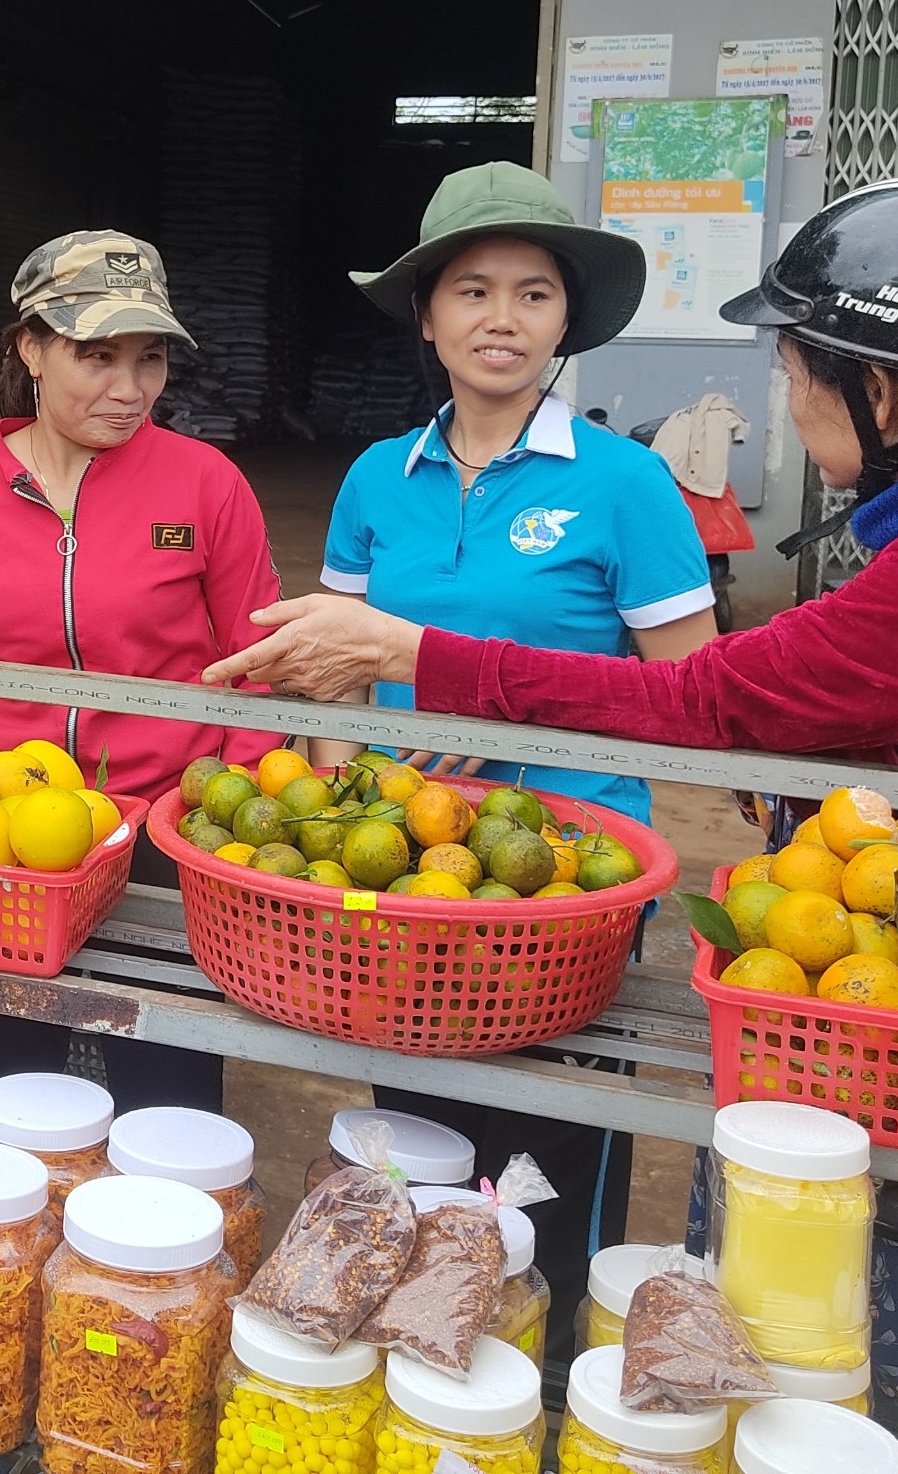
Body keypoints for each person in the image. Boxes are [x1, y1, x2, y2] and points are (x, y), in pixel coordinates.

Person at [209, 175, 898, 1423]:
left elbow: (710, 697)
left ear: (884, 393)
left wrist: (418, 653)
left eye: (795, 374)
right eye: (468, 288)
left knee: (847, 1375)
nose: (784, 402)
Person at [313, 160, 719, 1381]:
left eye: (533, 293)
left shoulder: (625, 481)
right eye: (473, 289)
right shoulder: (376, 476)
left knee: (548, 1156)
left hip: (570, 885)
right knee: (418, 1141)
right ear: (427, 317)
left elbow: (693, 699)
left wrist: (518, 724)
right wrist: (344, 795)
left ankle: (534, 1402)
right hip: (406, 875)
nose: (502, 316)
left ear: (564, 322)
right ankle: (420, 1379)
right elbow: (329, 675)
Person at [0, 231, 287, 1127]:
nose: (129, 389)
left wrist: (223, 806)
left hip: (164, 837)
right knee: (4, 1090)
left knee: (166, 1096)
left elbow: (255, 667)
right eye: (96, 357)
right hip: (1, 836)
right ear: (30, 346)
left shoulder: (206, 486)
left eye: (149, 359)